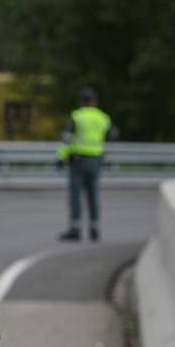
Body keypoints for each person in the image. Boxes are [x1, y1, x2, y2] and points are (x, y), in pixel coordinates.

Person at [56, 87, 117, 242]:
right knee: (93, 195)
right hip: (95, 161)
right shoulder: (103, 118)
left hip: (78, 161)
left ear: (81, 101)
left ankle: (75, 229)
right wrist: (107, 157)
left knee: (75, 196)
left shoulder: (77, 117)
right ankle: (94, 229)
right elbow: (112, 136)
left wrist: (61, 158)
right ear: (95, 101)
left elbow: (66, 139)